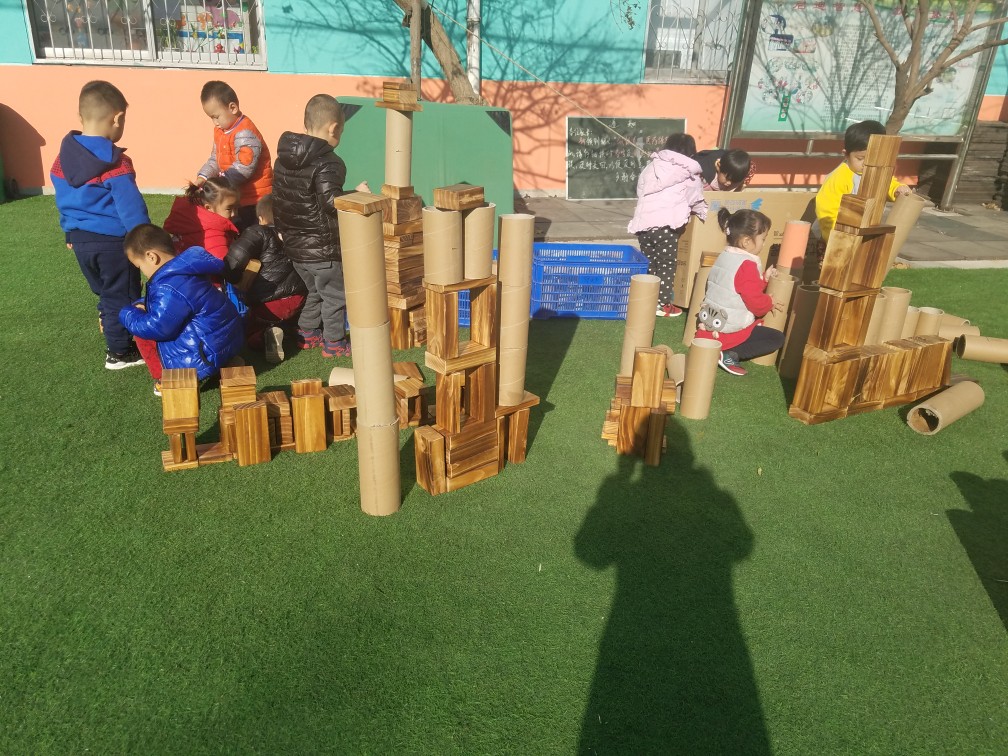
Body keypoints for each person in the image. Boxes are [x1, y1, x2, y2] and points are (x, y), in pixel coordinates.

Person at [51, 79, 150, 370]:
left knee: (106, 291)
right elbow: (131, 207)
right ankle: (120, 352)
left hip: (80, 242)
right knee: (122, 294)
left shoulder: (62, 160)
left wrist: (69, 232)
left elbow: (64, 199)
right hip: (113, 243)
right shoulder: (116, 163)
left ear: (81, 117)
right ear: (117, 118)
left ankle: (108, 322)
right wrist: (145, 240)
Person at [273, 93, 368, 358]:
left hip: (295, 247)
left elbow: (279, 199)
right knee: (335, 295)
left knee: (314, 290)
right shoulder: (329, 162)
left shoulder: (282, 160)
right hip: (323, 249)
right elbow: (331, 203)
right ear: (334, 128)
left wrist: (282, 231)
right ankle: (334, 342)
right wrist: (355, 194)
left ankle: (307, 332)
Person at [119, 224, 244, 395]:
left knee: (142, 330)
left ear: (151, 257)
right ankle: (226, 361)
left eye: (140, 266)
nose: (143, 272)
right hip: (226, 339)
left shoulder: (169, 286)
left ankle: (165, 378)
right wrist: (144, 303)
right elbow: (176, 302)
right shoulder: (186, 269)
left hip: (204, 354)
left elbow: (157, 327)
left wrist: (127, 313)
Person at [695, 207, 785, 377]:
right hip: (727, 331)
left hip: (710, 324)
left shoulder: (725, 256)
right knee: (777, 338)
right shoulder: (747, 265)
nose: (764, 244)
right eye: (763, 239)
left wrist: (764, 279)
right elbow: (756, 304)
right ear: (746, 241)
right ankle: (729, 353)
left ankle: (722, 348)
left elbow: (735, 286)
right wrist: (770, 302)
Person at [627, 133, 708, 317]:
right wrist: (702, 211)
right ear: (691, 152)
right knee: (666, 265)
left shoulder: (651, 166)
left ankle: (647, 299)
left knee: (650, 263)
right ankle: (663, 303)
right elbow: (694, 197)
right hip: (666, 226)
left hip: (643, 225)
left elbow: (640, 189)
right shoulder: (689, 173)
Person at [224, 194, 307, 363]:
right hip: (299, 297)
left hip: (269, 301)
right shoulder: (294, 233)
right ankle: (289, 329)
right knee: (286, 317)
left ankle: (265, 335)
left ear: (261, 218)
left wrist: (232, 276)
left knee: (250, 333)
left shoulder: (259, 231)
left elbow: (237, 256)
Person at [815, 119, 912, 242]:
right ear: (846, 154)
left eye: (873, 158)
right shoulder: (839, 177)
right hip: (836, 235)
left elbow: (888, 183)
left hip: (864, 231)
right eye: (860, 158)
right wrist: (836, 236)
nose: (866, 164)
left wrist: (897, 190)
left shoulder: (878, 171)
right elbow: (827, 210)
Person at [196, 80, 273, 232]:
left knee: (253, 234)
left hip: (255, 198)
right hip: (236, 195)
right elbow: (215, 159)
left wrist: (221, 182)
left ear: (233, 108)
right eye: (211, 118)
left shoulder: (245, 132)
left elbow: (245, 167)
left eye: (216, 116)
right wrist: (203, 177)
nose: (215, 122)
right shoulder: (220, 132)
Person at [164, 177, 240, 261]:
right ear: (208, 207)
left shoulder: (189, 216)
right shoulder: (214, 235)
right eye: (229, 209)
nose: (234, 214)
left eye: (236, 207)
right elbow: (222, 265)